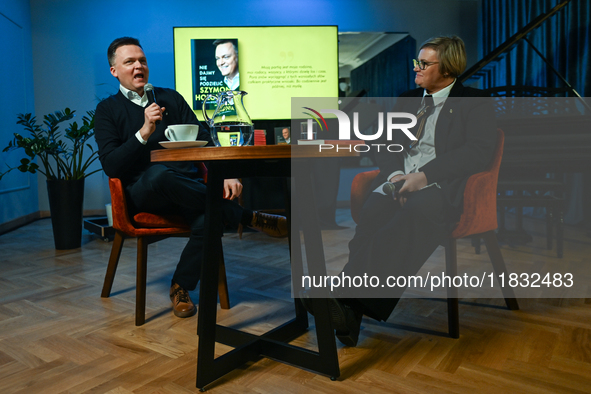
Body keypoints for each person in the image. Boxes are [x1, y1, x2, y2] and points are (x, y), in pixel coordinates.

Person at [302, 36, 497, 346]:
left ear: (447, 69)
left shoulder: (473, 101)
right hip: (397, 181)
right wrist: (395, 175)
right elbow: (384, 143)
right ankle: (349, 309)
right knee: (373, 211)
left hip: (439, 188)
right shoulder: (408, 98)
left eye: (424, 63)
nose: (416, 69)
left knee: (417, 212)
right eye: (415, 62)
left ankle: (343, 298)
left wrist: (422, 177)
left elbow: (477, 152)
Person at [95, 37, 287, 319]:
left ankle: (181, 286)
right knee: (158, 174)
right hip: (144, 194)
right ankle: (245, 216)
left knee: (209, 217)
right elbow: (111, 165)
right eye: (130, 62)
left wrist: (225, 174)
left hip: (189, 190)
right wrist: (144, 132)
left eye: (142, 60)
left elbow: (204, 137)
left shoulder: (170, 98)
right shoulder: (107, 110)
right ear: (115, 71)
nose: (139, 66)